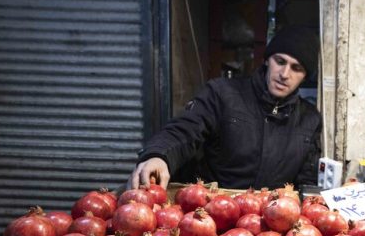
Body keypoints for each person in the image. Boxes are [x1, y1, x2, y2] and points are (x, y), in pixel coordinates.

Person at [128, 25, 322, 191]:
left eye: (296, 68)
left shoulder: (309, 120)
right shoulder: (222, 94)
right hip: (214, 211)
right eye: (280, 62)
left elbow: (307, 182)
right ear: (267, 60)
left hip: (270, 217)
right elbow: (185, 130)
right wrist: (158, 155)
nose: (285, 74)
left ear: (305, 76)